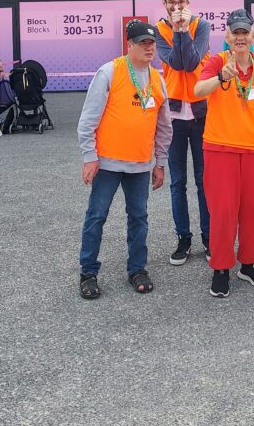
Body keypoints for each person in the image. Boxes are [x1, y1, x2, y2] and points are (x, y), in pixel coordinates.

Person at [77, 21, 172, 299]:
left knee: (139, 218)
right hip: (107, 163)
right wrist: (89, 157)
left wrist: (161, 162)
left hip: (141, 164)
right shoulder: (109, 71)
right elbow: (88, 119)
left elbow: (164, 126)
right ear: (128, 45)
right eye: (142, 42)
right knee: (96, 217)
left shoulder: (158, 78)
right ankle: (88, 272)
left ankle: (137, 269)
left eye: (151, 43)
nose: (148, 47)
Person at [193, 9, 254, 298]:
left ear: (253, 36)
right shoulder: (218, 62)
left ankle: (249, 263)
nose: (240, 37)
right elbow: (197, 90)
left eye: (245, 32)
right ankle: (221, 268)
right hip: (221, 148)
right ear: (228, 36)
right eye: (236, 32)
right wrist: (221, 77)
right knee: (223, 211)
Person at [155, 0, 212, 265]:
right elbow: (176, 64)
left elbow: (191, 62)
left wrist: (184, 31)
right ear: (164, 4)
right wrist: (177, 31)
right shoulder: (158, 30)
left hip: (202, 114)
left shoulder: (201, 26)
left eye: (181, 2)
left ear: (189, 1)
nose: (177, 7)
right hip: (174, 116)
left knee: (204, 181)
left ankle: (208, 237)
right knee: (178, 182)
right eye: (171, 2)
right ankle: (184, 238)